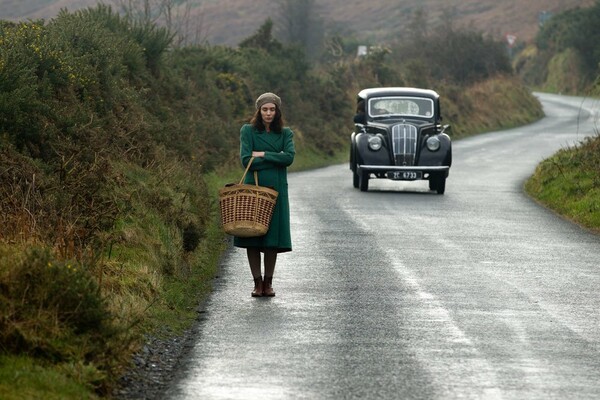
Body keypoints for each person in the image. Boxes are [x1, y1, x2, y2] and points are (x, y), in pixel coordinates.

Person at [234, 92, 295, 297]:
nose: (268, 113)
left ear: (277, 111)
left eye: (272, 109)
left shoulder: (285, 133)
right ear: (258, 111)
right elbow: (245, 160)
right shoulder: (248, 131)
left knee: (272, 239)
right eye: (265, 109)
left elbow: (288, 158)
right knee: (252, 235)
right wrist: (275, 157)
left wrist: (261, 154)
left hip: (277, 190)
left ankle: (268, 283)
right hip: (255, 189)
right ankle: (257, 283)